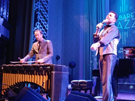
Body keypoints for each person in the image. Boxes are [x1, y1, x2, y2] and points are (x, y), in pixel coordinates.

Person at [90, 11, 121, 101]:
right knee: (104, 80)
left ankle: (107, 99)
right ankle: (109, 99)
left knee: (107, 79)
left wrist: (97, 44)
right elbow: (96, 41)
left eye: (110, 15)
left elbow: (105, 41)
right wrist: (97, 30)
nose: (108, 16)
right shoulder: (103, 30)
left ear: (114, 20)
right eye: (107, 14)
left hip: (110, 54)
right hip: (101, 54)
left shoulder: (114, 28)